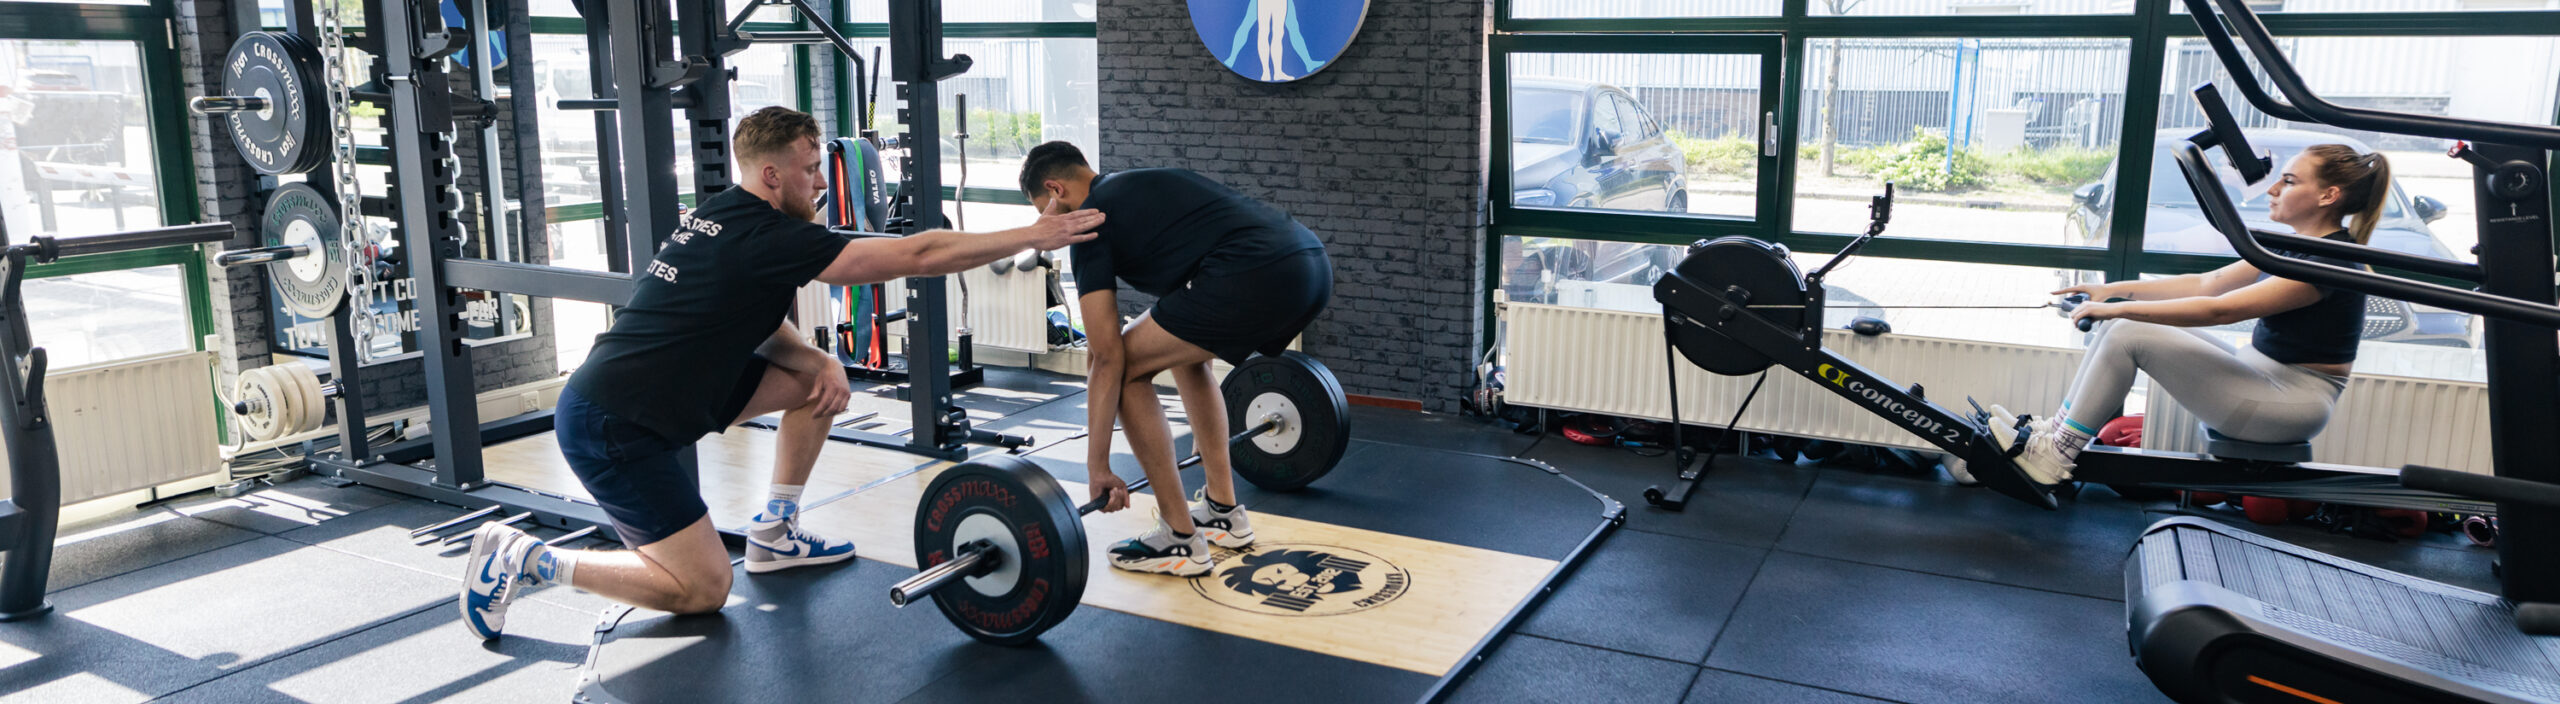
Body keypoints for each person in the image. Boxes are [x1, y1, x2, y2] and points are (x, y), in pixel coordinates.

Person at [459, 107, 1103, 640]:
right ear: (772, 174)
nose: (821, 182)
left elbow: (753, 315)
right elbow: (921, 253)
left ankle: (774, 531)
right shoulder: (767, 237)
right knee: (703, 589)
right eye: (811, 169)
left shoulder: (724, 215)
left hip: (658, 394)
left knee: (815, 385)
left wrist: (817, 357)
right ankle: (531, 560)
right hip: (617, 425)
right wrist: (1031, 234)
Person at [1016, 141, 1333, 576]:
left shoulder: (1088, 223)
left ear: (1056, 191)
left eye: (1044, 214)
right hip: (1311, 264)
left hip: (1256, 271)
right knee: (1187, 354)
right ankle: (1223, 510)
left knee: (1128, 367)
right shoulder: (1139, 184)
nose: (1047, 231)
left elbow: (1106, 356)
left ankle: (1179, 539)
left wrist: (1098, 466)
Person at [1990, 144, 2390, 484]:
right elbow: (2207, 283)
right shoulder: (2296, 247)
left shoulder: (2327, 264)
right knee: (2122, 325)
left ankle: (2055, 455)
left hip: (2289, 403)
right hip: (2264, 379)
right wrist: (2111, 292)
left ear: (2328, 196)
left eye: (2288, 181)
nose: (2272, 188)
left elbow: (2219, 309)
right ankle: (2056, 432)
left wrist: (2118, 309)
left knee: (2128, 332)